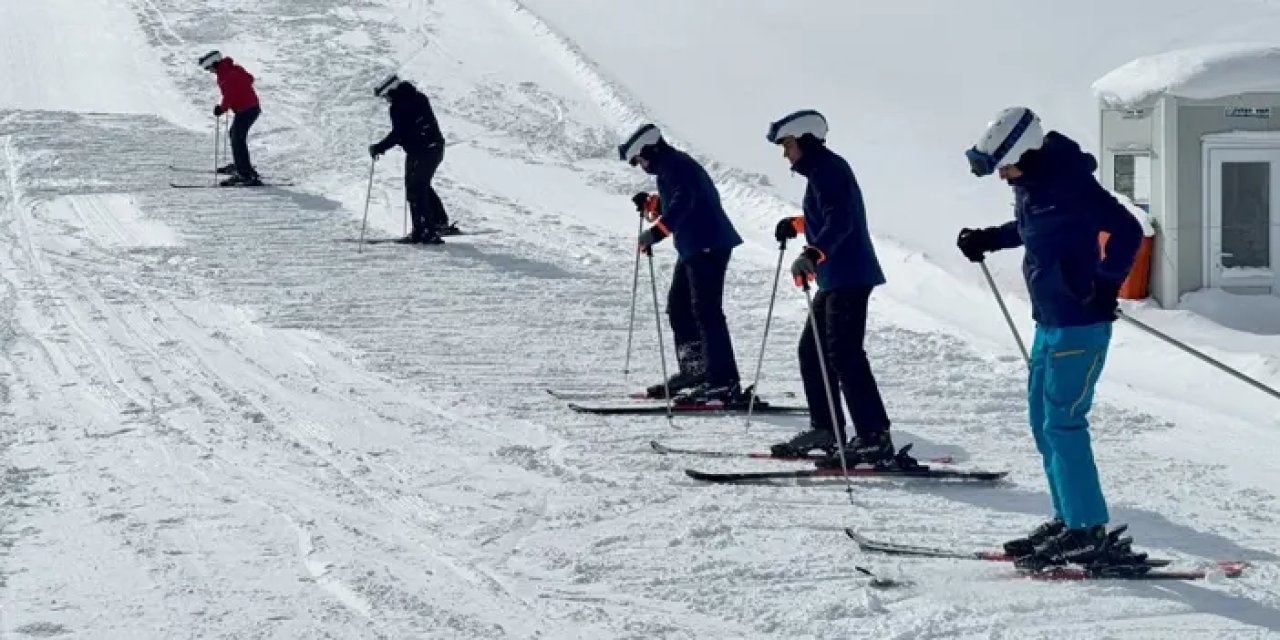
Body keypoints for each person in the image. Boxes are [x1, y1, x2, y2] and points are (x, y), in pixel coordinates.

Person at [957, 106, 1143, 569]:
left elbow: (1127, 230)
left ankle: (1087, 529)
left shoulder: (1069, 183)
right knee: (1044, 422)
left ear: (1022, 150)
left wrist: (1106, 284)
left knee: (1064, 423)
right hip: (1049, 320)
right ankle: (1068, 519)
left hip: (1081, 322)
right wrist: (986, 238)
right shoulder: (1030, 186)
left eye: (1003, 164)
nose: (1001, 175)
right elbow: (1031, 230)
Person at [764, 110, 896, 469]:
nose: (785, 154)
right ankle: (826, 429)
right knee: (813, 352)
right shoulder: (822, 172)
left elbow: (842, 220)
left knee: (844, 355)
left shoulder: (829, 170)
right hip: (836, 277)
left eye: (787, 145)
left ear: (805, 139)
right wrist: (797, 224)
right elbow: (827, 215)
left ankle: (874, 438)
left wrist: (812, 252)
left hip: (850, 275)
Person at [618, 124, 744, 402]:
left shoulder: (675, 165)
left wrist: (657, 231)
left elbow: (685, 200)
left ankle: (723, 381)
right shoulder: (671, 167)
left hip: (707, 244)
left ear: (650, 149)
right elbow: (681, 201)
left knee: (707, 311)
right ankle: (697, 371)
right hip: (695, 247)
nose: (641, 166)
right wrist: (654, 206)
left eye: (639, 159)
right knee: (679, 307)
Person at [370, 74, 454, 244]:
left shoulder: (399, 106)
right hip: (432, 148)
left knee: (416, 187)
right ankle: (435, 223)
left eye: (386, 96)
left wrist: (378, 147)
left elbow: (398, 134)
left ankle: (425, 231)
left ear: (391, 91)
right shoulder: (418, 98)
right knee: (419, 186)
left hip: (424, 150)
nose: (386, 100)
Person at [199, 51, 261, 187]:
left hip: (247, 110)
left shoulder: (226, 75)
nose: (209, 71)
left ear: (214, 64)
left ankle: (245, 174)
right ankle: (241, 166)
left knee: (237, 138)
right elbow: (249, 79)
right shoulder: (233, 69)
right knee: (235, 135)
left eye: (208, 68)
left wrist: (221, 109)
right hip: (249, 108)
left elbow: (229, 94)